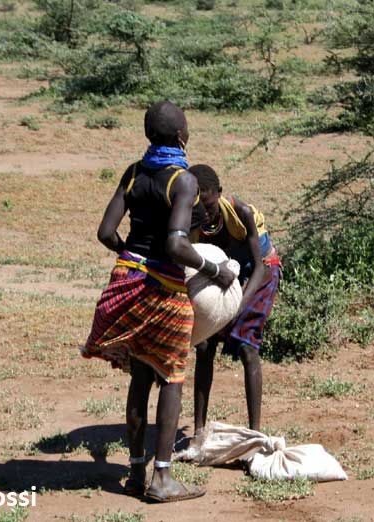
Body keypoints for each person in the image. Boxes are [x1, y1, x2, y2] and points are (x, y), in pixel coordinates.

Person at [81, 102, 235, 502]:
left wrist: (131, 256)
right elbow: (176, 244)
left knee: (140, 376)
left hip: (127, 282)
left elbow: (105, 232)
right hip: (163, 291)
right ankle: (162, 478)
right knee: (170, 377)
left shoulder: (133, 173)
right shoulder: (182, 181)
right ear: (182, 136)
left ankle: (135, 472)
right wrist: (215, 270)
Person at [188, 164, 281, 435]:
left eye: (209, 205)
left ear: (219, 192)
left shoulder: (242, 213)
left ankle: (254, 434)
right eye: (199, 208)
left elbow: (260, 266)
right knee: (204, 346)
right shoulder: (193, 222)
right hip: (222, 273)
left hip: (260, 269)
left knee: (246, 346)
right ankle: (199, 432)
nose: (206, 214)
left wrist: (236, 308)